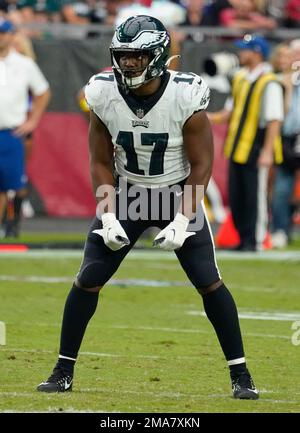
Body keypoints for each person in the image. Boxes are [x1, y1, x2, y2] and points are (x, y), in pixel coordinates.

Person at [37, 15, 258, 400]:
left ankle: (241, 375)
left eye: (137, 57)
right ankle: (62, 371)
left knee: (208, 280)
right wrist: (107, 214)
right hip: (128, 194)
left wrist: (183, 217)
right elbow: (100, 161)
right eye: (123, 56)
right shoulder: (103, 92)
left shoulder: (185, 94)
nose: (128, 64)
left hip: (175, 192)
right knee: (88, 277)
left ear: (157, 56)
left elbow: (202, 165)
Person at [209, 34, 284, 251]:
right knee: (238, 196)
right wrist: (206, 117)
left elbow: (274, 119)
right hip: (237, 147)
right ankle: (243, 239)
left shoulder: (269, 82)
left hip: (257, 146)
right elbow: (229, 112)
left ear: (257, 53)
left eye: (245, 50)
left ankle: (256, 240)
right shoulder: (241, 77)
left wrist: (268, 151)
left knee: (255, 196)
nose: (241, 53)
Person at [0, 18, 50, 235]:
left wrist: (32, 121)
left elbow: (43, 91)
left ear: (11, 35)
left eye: (3, 33)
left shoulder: (24, 64)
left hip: (10, 131)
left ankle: (11, 226)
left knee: (10, 183)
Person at [271, 40, 300, 247]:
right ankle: (280, 229)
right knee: (282, 186)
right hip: (287, 137)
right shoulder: (277, 81)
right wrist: (288, 87)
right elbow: (283, 112)